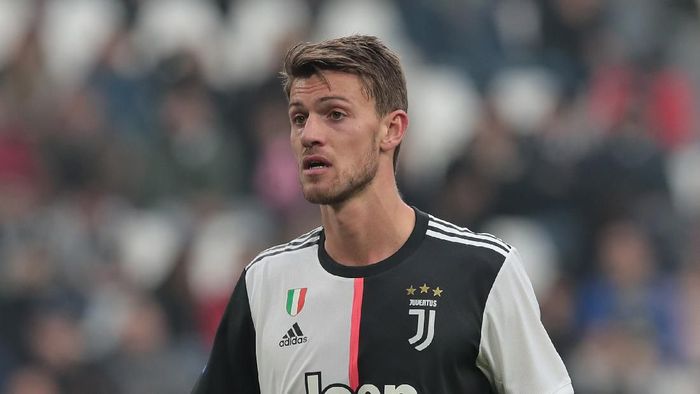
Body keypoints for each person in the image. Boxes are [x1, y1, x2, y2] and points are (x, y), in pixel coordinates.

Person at [191, 35, 573, 394]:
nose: (309, 134)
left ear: (391, 130)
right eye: (299, 118)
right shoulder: (265, 284)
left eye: (335, 114)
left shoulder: (484, 272)